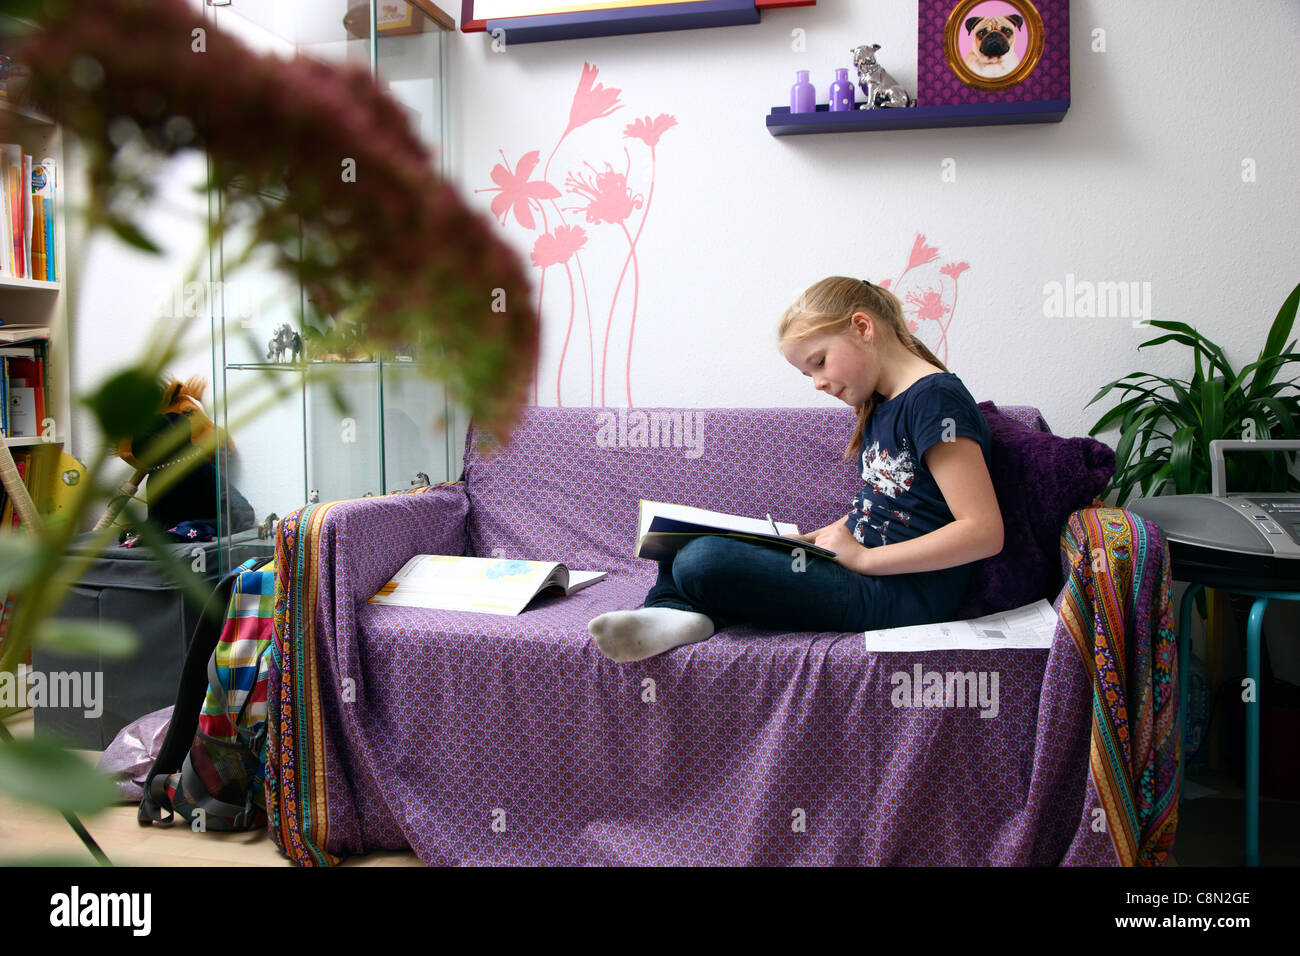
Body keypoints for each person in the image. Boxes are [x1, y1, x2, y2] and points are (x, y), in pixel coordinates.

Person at [588, 276, 1003, 662]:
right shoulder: (879, 403)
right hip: (858, 567)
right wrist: (820, 539)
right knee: (678, 544)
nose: (818, 383)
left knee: (703, 560)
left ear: (862, 327)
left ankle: (691, 612)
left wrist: (862, 559)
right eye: (809, 373)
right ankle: (677, 613)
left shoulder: (936, 400)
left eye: (819, 361)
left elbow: (983, 531)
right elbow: (888, 503)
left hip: (903, 591)